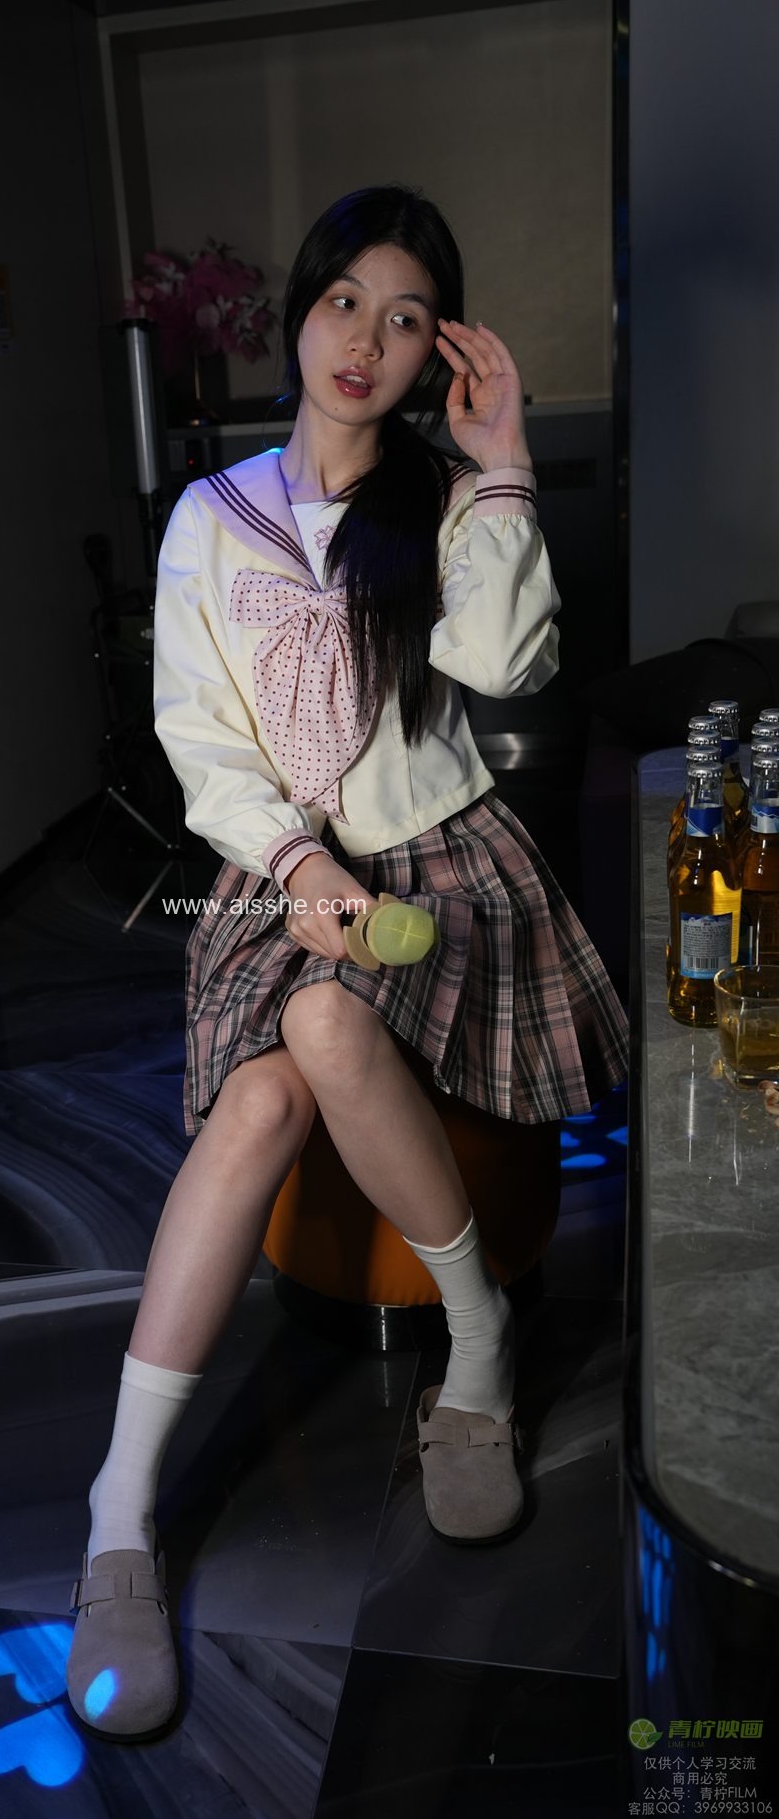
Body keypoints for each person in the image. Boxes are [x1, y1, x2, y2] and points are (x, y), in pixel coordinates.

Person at [65, 184, 628, 1741]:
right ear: (300, 314)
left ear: (438, 348)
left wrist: (503, 462)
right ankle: (119, 1514)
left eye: (406, 316)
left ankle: (477, 1350)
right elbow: (201, 745)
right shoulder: (211, 516)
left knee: (318, 1030)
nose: (366, 341)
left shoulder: (439, 502)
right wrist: (301, 867)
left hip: (445, 868)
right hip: (279, 873)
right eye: (344, 302)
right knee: (260, 1098)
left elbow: (505, 664)